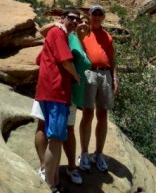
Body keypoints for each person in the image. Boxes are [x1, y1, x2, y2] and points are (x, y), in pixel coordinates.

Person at [32, 14, 91, 185]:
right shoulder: (59, 33)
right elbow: (66, 61)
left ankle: (54, 172)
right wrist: (76, 75)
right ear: (62, 18)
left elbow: (39, 59)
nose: (77, 22)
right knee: (55, 137)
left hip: (51, 91)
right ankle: (51, 180)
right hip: (56, 91)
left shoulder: (68, 36)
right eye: (72, 18)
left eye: (79, 20)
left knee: (59, 133)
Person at [78, 4, 118, 173]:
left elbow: (111, 58)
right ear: (89, 15)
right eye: (94, 13)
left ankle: (98, 154)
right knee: (87, 113)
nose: (97, 17)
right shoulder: (83, 32)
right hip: (89, 74)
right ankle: (84, 153)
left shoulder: (107, 36)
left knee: (103, 114)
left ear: (103, 17)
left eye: (100, 14)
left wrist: (115, 77)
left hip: (105, 75)